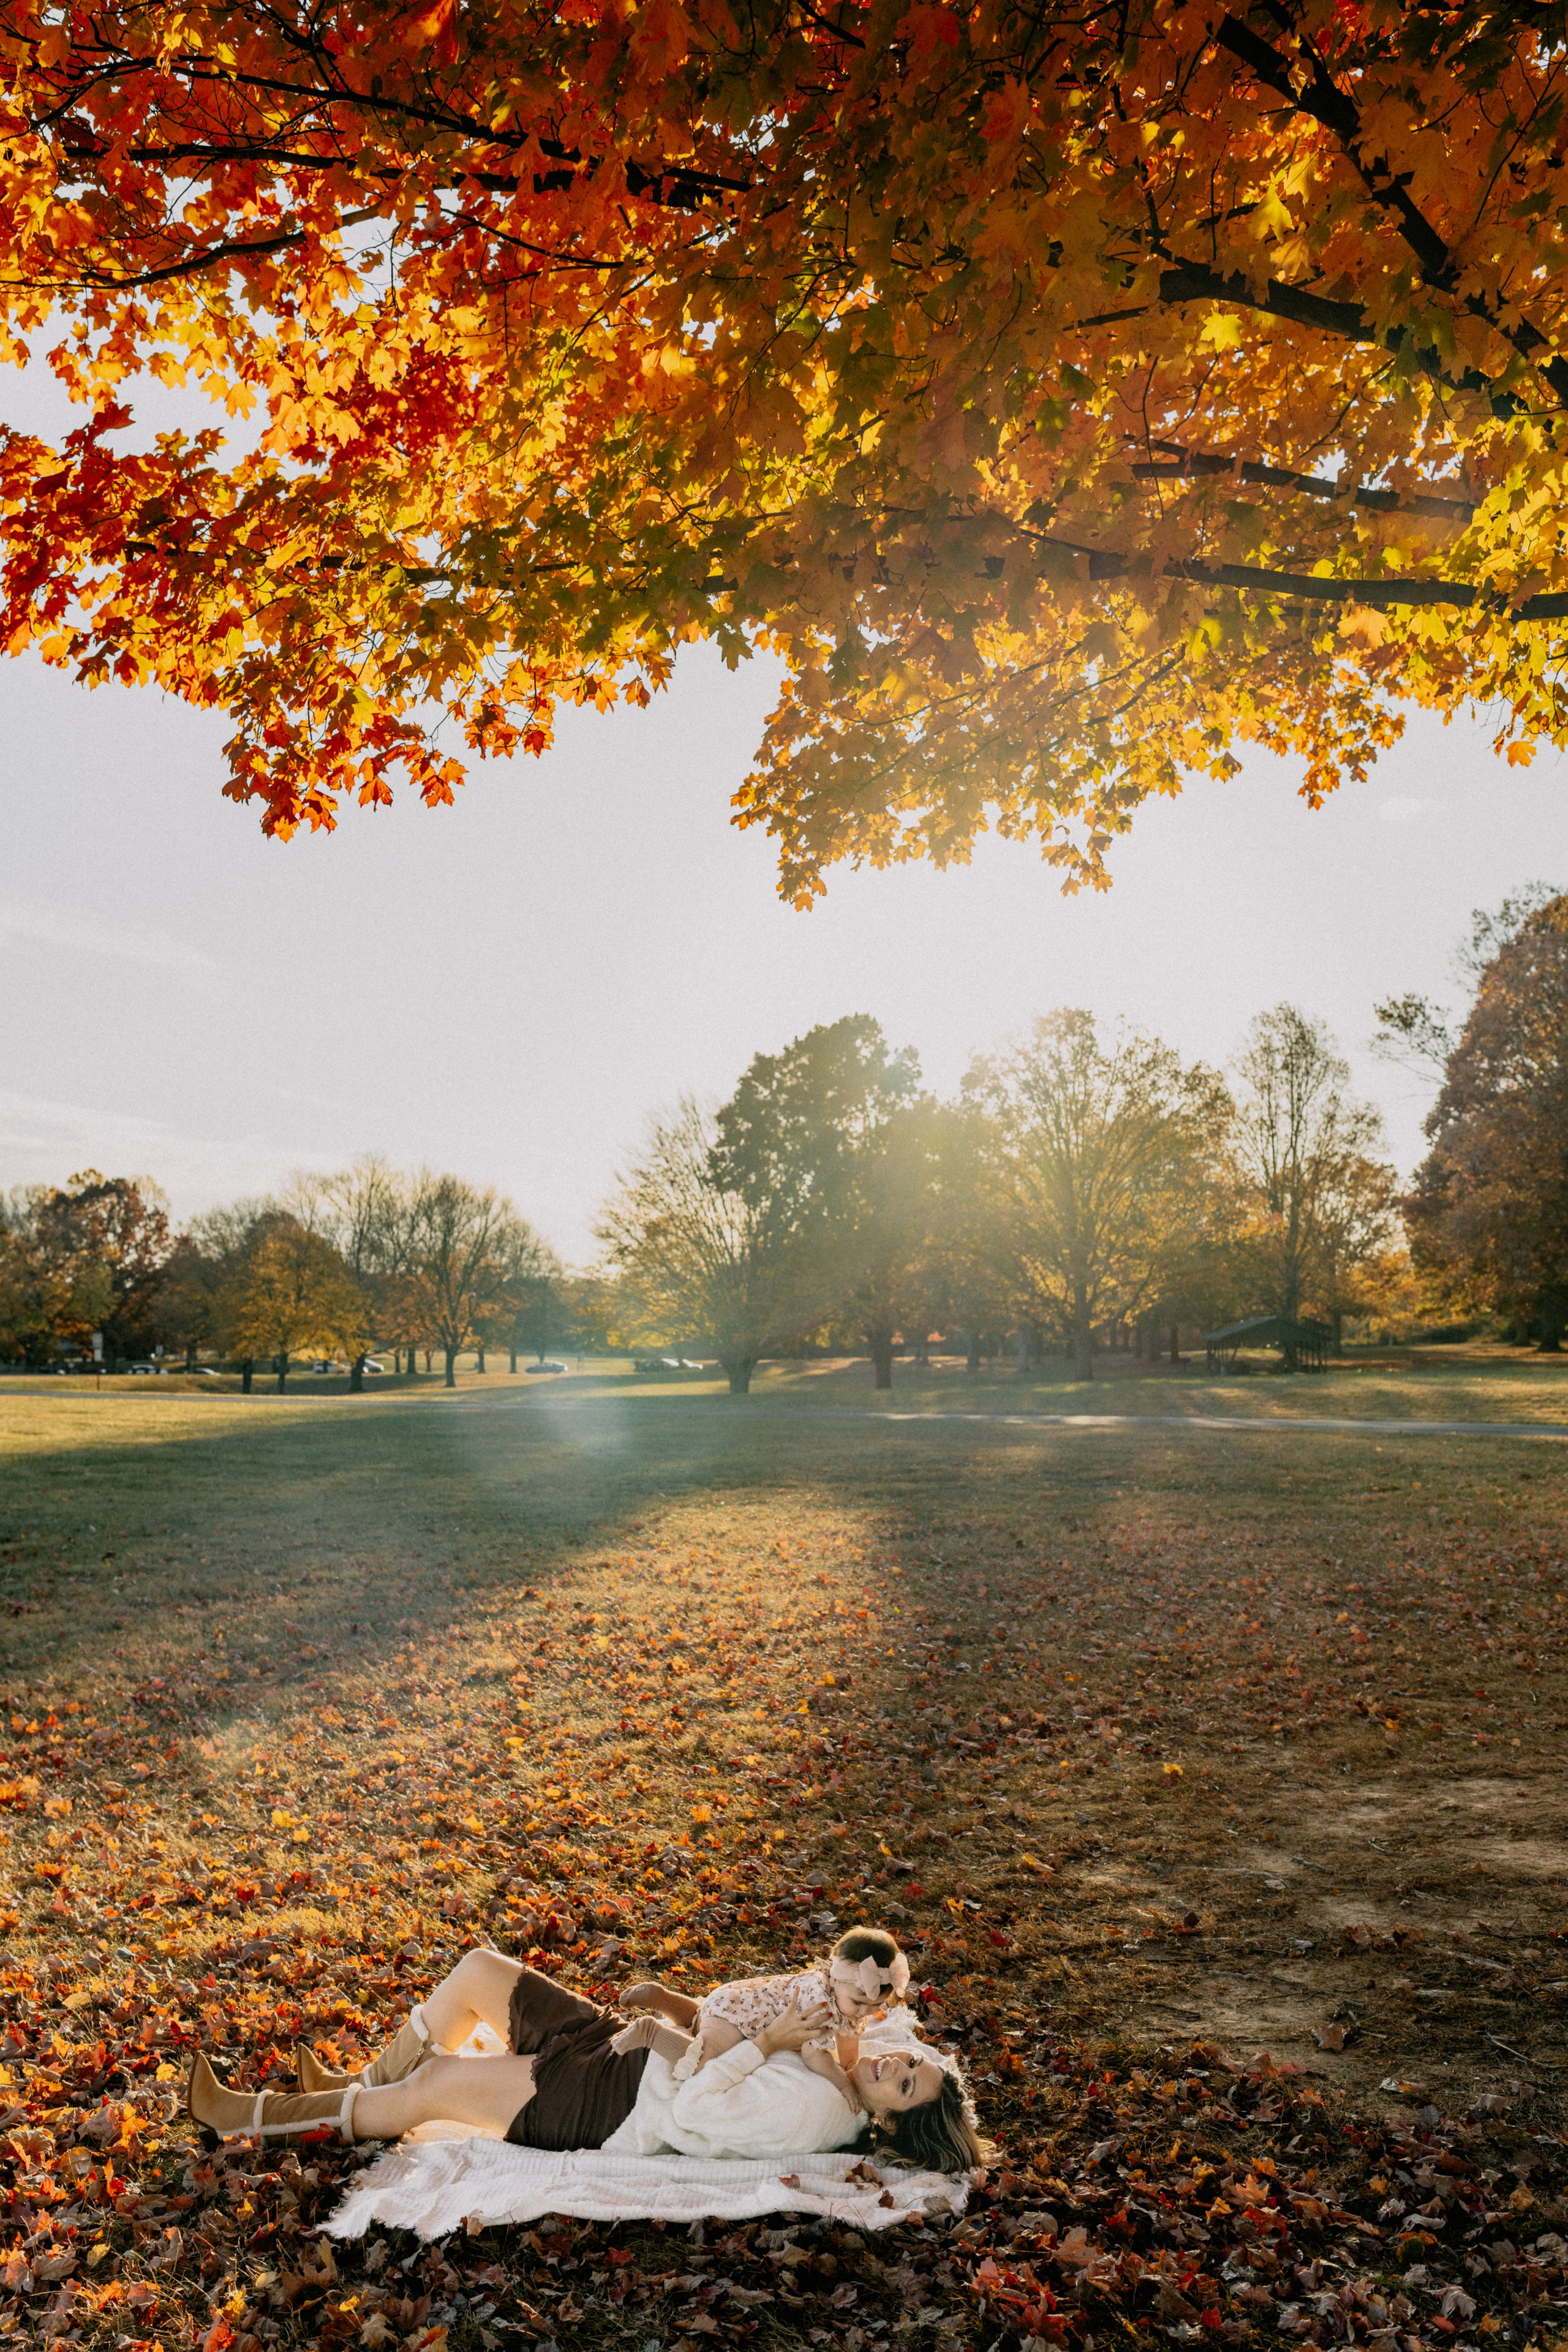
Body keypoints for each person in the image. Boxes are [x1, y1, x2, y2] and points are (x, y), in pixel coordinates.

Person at [185, 1946, 984, 2173]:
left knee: (431, 2089)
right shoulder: (846, 2063)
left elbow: (701, 2110)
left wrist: (769, 2045)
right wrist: (677, 2007)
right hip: (625, 2055)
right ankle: (355, 2085)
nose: (895, 2066)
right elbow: (872, 1996)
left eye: (905, 2084)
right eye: (908, 2061)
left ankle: (253, 2116)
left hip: (611, 2108)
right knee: (478, 1972)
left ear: (891, 2121)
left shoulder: (820, 2111)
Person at [622, 1924, 917, 2081]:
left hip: (730, 2001)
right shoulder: (820, 2004)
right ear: (836, 1980)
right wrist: (842, 2082)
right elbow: (814, 2054)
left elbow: (849, 2036)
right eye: (859, 2003)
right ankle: (651, 2032)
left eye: (874, 2005)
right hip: (739, 2016)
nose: (865, 2011)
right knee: (704, 2064)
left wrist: (851, 2064)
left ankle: (662, 1999)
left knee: (700, 2020)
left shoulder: (845, 1997)